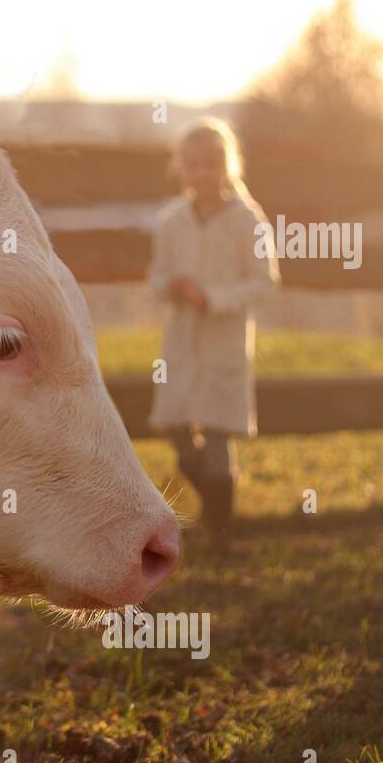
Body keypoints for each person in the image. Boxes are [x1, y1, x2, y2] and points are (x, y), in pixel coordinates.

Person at [147, 119, 279, 552]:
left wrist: (214, 297)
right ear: (181, 169)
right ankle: (213, 508)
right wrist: (173, 287)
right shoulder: (170, 221)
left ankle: (221, 528)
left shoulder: (248, 221)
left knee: (219, 434)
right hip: (182, 340)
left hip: (225, 339)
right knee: (176, 426)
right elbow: (156, 276)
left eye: (212, 164)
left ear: (227, 167)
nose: (203, 174)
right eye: (193, 165)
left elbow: (264, 281)